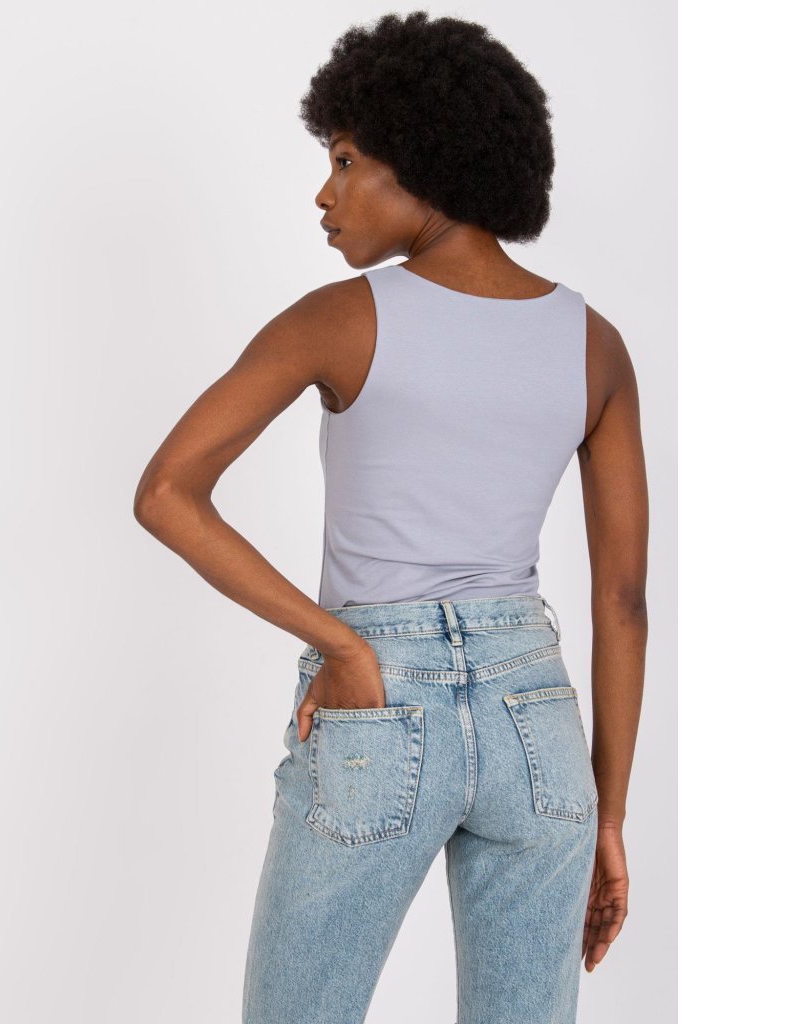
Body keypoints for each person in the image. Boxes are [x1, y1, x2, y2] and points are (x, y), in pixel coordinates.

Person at [134, 11, 646, 1023]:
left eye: (344, 159)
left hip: (379, 707)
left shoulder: (340, 319)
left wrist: (342, 645)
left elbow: (167, 491)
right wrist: (608, 816)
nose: (324, 194)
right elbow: (622, 600)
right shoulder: (594, 344)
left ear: (424, 157)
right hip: (537, 720)